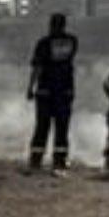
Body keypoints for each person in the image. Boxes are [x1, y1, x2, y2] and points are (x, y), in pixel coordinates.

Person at [27, 12, 78, 172]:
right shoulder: (72, 41)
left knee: (42, 126)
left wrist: (30, 87)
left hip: (45, 91)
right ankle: (60, 161)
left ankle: (36, 161)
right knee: (62, 127)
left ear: (51, 25)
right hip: (65, 91)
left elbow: (38, 67)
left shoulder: (44, 43)